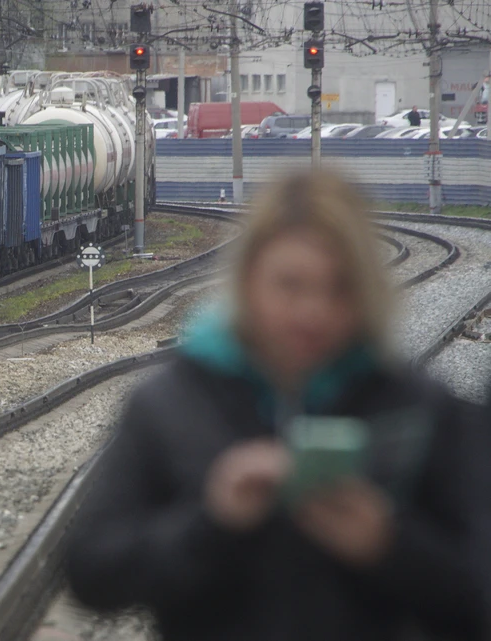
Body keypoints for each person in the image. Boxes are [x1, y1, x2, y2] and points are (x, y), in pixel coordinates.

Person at [66, 170, 488, 641]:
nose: (313, 311)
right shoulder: (170, 402)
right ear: (248, 281)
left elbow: (475, 592)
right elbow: (91, 572)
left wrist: (388, 544)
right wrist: (212, 521)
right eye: (290, 285)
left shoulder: (418, 406)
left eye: (339, 288)